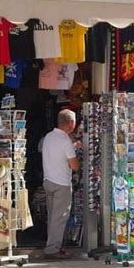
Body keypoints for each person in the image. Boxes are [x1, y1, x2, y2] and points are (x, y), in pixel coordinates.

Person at [42, 109, 80, 259]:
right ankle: (52, 249)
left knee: (53, 216)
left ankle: (54, 245)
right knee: (60, 217)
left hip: (48, 180)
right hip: (61, 183)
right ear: (71, 123)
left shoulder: (49, 137)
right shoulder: (65, 140)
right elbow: (74, 165)